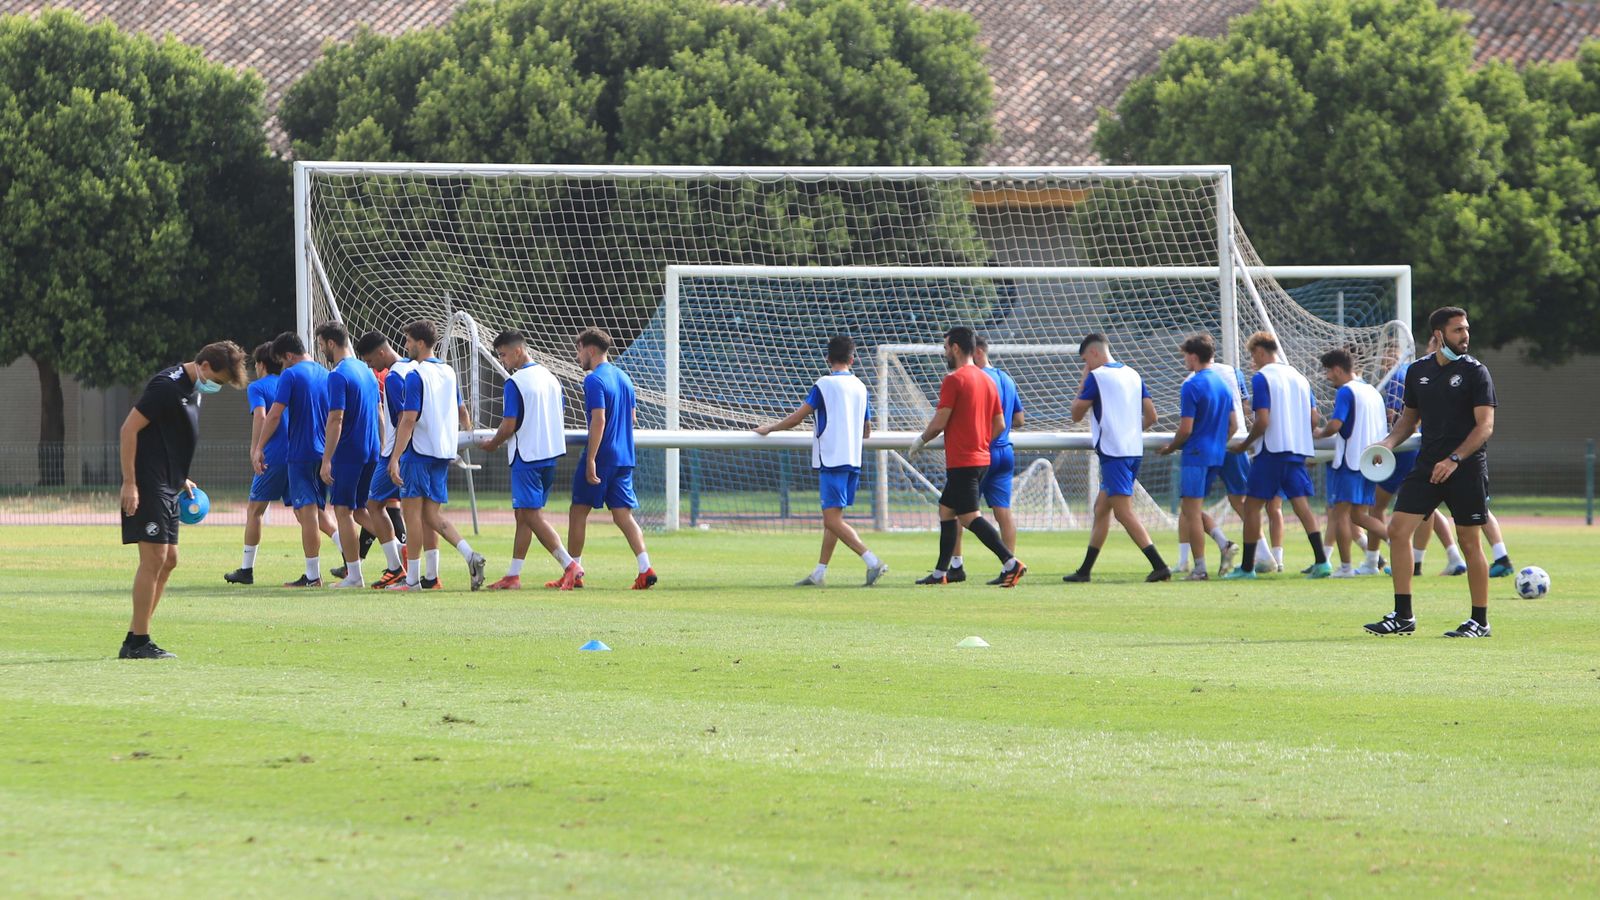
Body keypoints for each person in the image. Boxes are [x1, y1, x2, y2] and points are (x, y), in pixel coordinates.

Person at [1365, 306, 1497, 638]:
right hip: (1427, 466)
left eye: (1466, 329)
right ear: (1439, 335)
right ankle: (1403, 616)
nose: (1465, 336)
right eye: (1458, 330)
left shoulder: (1476, 372)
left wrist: (1454, 459)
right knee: (1397, 530)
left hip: (1465, 468)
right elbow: (1408, 421)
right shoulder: (1417, 371)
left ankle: (1479, 621)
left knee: (1469, 542)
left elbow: (1485, 427)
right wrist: (1386, 444)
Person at [118, 341, 247, 658]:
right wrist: (130, 483)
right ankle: (139, 642)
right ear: (204, 366)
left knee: (169, 560)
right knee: (153, 559)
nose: (216, 387)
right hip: (148, 484)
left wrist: (179, 477)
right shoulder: (166, 386)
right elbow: (128, 430)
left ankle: (135, 636)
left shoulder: (193, 389)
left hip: (169, 483)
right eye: (217, 380)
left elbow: (166, 436)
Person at [755, 335, 889, 587]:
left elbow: (797, 418)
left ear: (828, 358)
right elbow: (867, 430)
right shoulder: (861, 387)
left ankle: (873, 561)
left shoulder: (824, 385)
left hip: (832, 459)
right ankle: (819, 573)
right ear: (852, 359)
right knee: (834, 520)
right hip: (853, 460)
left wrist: (770, 428)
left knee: (831, 520)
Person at [908, 326, 1026, 587]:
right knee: (946, 510)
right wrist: (981, 441)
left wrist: (920, 441)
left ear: (956, 348)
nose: (945, 353)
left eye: (946, 348)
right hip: (981, 458)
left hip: (963, 460)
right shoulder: (987, 380)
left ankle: (1011, 562)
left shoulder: (954, 379)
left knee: (970, 516)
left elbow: (940, 422)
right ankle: (942, 572)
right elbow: (999, 423)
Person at [387, 320, 487, 591]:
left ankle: (412, 580)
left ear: (420, 343)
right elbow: (462, 411)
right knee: (431, 516)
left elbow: (408, 419)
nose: (405, 346)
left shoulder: (416, 375)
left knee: (412, 516)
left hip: (418, 453)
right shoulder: (449, 371)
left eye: (408, 341)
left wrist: (395, 458)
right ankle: (467, 557)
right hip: (442, 454)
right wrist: (469, 436)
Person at [478, 329, 581, 591]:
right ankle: (513, 575)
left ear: (518, 351)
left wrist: (492, 444)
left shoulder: (516, 382)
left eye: (503, 355)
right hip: (550, 454)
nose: (502, 361)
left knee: (531, 515)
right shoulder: (551, 378)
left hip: (527, 456)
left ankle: (569, 564)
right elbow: (560, 411)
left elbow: (509, 424)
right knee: (523, 515)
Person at [226, 342, 336, 585]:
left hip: (276, 456)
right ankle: (347, 554)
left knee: (255, 510)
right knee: (310, 512)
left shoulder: (259, 386)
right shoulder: (310, 377)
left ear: (261, 364)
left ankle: (246, 569)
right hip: (306, 451)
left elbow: (262, 416)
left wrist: (256, 448)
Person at [1222, 332, 1330, 580]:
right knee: (1302, 506)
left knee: (1252, 507)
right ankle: (1322, 562)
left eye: (1253, 355)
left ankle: (1247, 568)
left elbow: (1262, 420)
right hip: (1296, 451)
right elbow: (1314, 418)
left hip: (1271, 451)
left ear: (1261, 352)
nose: (1253, 361)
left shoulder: (1263, 378)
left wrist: (1245, 444)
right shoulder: (1300, 378)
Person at [1062, 333, 1168, 583]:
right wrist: (1128, 432)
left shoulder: (1097, 377)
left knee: (1123, 512)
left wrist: (1084, 380)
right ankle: (1085, 571)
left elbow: (1075, 414)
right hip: (1133, 450)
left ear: (1094, 353)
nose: (1085, 365)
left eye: (1085, 360)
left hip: (1114, 453)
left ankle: (1159, 565)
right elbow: (1152, 417)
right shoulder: (1133, 374)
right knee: (1101, 508)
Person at [566, 328, 656, 590]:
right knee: (623, 515)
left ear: (591, 349)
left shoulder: (594, 380)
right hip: (624, 456)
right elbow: (632, 418)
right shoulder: (624, 378)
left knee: (578, 511)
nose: (577, 356)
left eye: (579, 350)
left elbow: (599, 420)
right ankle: (645, 568)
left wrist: (591, 459)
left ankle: (573, 572)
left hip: (602, 456)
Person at [1159, 334, 1239, 581]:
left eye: (1185, 355)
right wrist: (1217, 443)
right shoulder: (1223, 385)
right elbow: (1234, 425)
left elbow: (1186, 429)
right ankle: (1224, 543)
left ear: (1193, 356)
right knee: (1191, 508)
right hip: (1216, 454)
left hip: (1195, 454)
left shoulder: (1192, 385)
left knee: (1191, 513)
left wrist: (1171, 447)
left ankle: (1200, 569)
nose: (1184, 360)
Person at [255, 332, 331, 587]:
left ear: (289, 355)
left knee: (307, 514)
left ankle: (312, 575)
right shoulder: (325, 373)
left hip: (301, 452)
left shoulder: (291, 375)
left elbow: (274, 415)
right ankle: (349, 562)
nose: (282, 367)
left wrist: (259, 447)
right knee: (318, 512)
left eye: (282, 361)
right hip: (323, 451)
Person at [949, 335, 1026, 584]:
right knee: (1003, 512)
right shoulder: (1007, 379)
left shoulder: (977, 379)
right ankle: (1009, 566)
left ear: (978, 352)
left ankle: (956, 565)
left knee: (956, 509)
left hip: (981, 452)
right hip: (1005, 451)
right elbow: (1019, 419)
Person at [317, 322, 382, 588]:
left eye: (322, 344)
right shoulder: (367, 371)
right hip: (372, 448)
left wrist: (327, 459)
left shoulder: (338, 374)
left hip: (349, 452)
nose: (322, 350)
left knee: (342, 510)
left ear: (331, 343)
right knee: (361, 511)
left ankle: (354, 576)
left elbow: (336, 418)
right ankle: (401, 551)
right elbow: (378, 412)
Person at [1314, 349, 1389, 577]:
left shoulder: (1346, 391)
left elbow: (1336, 424)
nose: (1328, 377)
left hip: (1350, 461)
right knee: (1359, 516)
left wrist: (1319, 433)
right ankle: (1398, 542)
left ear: (1337, 370)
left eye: (1328, 372)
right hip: (1371, 462)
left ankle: (1345, 567)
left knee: (1339, 514)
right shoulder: (1372, 391)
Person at [354, 331, 411, 588]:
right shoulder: (412, 368)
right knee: (419, 512)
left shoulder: (393, 377)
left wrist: (394, 457)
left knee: (373, 505)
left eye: (369, 360)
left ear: (380, 352)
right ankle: (424, 571)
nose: (369, 366)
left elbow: (403, 419)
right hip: (415, 451)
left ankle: (397, 566)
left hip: (395, 452)